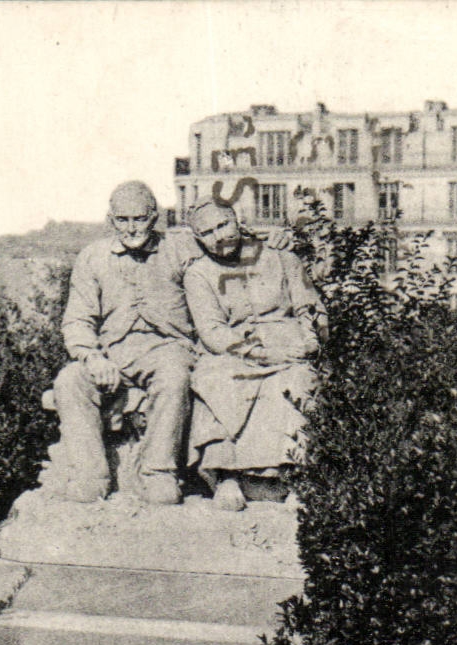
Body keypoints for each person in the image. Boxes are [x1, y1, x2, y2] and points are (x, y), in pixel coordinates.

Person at [51, 181, 199, 505]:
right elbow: (77, 320)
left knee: (174, 377)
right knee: (69, 381)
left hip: (167, 349)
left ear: (155, 217)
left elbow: (227, 246)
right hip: (112, 353)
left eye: (139, 218)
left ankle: (158, 473)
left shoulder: (181, 250)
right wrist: (92, 357)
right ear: (110, 219)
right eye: (122, 219)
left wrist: (273, 242)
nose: (131, 228)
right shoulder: (93, 257)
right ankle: (91, 475)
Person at [182, 200, 325, 510]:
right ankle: (226, 476)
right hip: (232, 350)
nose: (219, 236)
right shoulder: (198, 274)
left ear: (238, 219)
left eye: (223, 225)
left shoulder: (282, 257)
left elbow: (309, 307)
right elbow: (212, 331)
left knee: (297, 379)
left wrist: (311, 340)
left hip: (287, 344)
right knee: (216, 379)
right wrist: (260, 353)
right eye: (207, 232)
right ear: (197, 239)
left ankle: (295, 478)